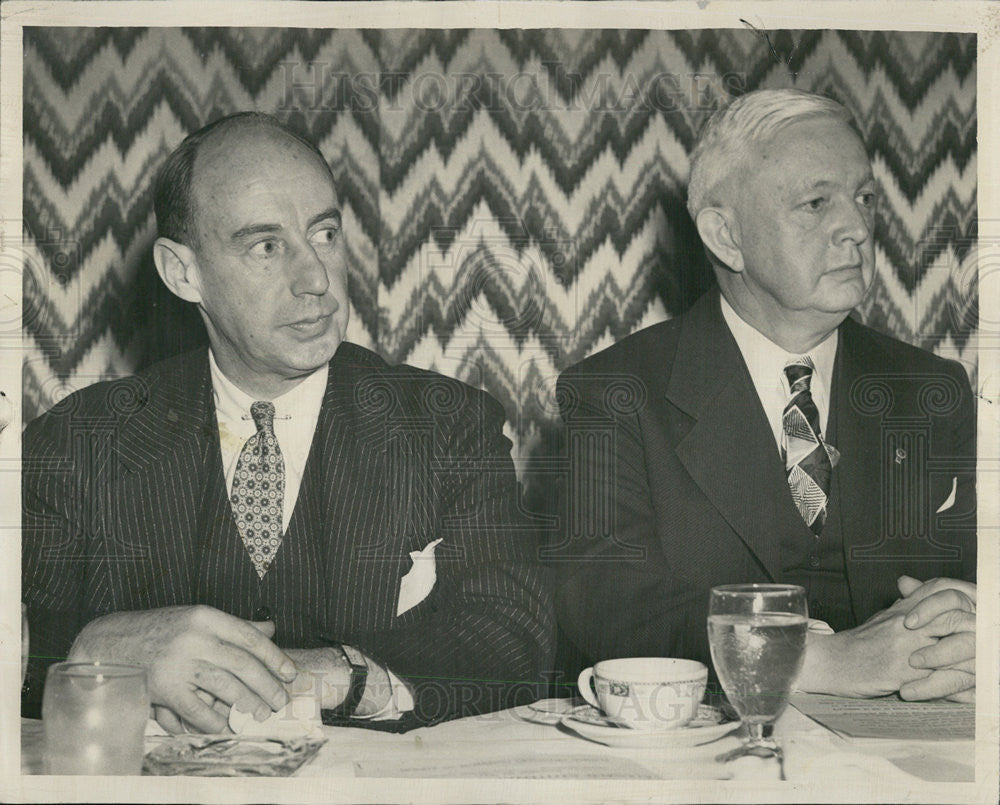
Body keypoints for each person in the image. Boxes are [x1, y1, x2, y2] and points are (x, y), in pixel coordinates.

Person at [22, 112, 554, 732]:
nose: (317, 280)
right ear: (182, 273)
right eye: (267, 246)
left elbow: (518, 639)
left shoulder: (450, 425)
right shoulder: (76, 442)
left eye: (324, 234)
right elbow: (24, 644)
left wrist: (345, 677)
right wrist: (91, 654)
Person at [554, 89, 976, 702]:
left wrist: (969, 639)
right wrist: (815, 660)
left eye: (864, 198)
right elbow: (605, 604)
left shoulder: (933, 392)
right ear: (726, 237)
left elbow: (973, 578)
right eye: (815, 203)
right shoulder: (613, 393)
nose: (857, 229)